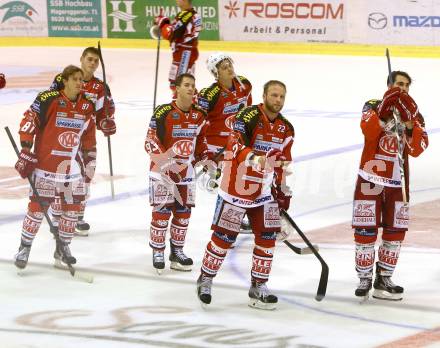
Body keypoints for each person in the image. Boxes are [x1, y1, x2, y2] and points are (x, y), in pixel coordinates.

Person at [196, 80, 294, 310]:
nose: (277, 100)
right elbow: (236, 146)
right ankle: (206, 279)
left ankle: (258, 286)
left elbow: (283, 161)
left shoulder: (286, 128)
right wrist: (257, 159)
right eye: (274, 95)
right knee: (223, 238)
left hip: (264, 193)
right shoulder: (248, 116)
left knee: (267, 239)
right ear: (264, 95)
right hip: (236, 190)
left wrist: (282, 192)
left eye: (281, 96)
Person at [353, 70, 429, 301]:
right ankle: (364, 278)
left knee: (395, 233)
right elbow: (369, 131)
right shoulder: (372, 105)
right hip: (370, 180)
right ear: (388, 85)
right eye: (398, 84)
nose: (402, 88)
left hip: (398, 184)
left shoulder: (415, 115)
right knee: (365, 230)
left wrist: (409, 124)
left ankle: (384, 278)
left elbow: (418, 149)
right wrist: (384, 112)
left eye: (406, 85)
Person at [13, 65, 96, 270]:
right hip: (45, 168)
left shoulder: (86, 107)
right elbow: (28, 120)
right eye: (75, 79)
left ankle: (63, 248)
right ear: (65, 80)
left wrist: (91, 160)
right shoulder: (48, 99)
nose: (79, 83)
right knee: (36, 210)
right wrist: (26, 147)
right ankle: (24, 248)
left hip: (72, 170)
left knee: (72, 211)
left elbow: (89, 138)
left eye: (81, 80)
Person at [145, 73, 212, 274]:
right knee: (162, 213)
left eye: (193, 85)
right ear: (177, 88)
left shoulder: (199, 115)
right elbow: (150, 141)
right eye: (186, 85)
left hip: (187, 174)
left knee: (183, 215)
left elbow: (201, 143)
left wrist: (206, 160)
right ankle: (158, 251)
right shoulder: (163, 111)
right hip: (162, 173)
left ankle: (177, 251)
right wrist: (164, 163)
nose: (191, 89)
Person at [49, 46, 116, 236]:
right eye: (90, 59)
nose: (92, 63)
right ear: (81, 59)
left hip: (87, 138)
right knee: (61, 175)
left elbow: (106, 111)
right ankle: (57, 217)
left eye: (96, 60)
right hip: (62, 137)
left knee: (86, 175)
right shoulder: (63, 78)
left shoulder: (100, 87)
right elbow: (49, 103)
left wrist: (107, 123)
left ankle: (78, 217)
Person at [198, 52, 253, 231]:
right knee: (227, 187)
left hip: (237, 143)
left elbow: (248, 110)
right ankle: (224, 226)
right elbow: (198, 122)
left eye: (229, 64)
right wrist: (203, 153)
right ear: (216, 73)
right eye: (224, 67)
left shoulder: (244, 84)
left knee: (243, 182)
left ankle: (236, 219)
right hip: (217, 147)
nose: (229, 68)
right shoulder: (209, 95)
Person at [154, 0, 201, 95]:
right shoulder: (190, 14)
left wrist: (163, 23)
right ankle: (192, 104)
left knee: (179, 84)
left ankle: (184, 107)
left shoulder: (187, 15)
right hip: (186, 52)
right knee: (184, 82)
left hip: (184, 53)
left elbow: (171, 34)